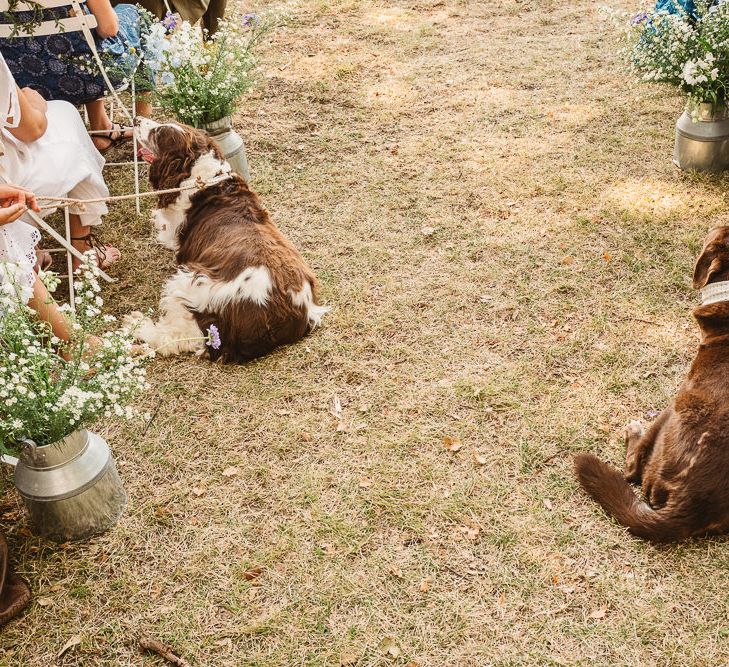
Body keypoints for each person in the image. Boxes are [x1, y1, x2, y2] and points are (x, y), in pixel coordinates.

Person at [0, 52, 120, 269]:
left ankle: (30, 248)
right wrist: (35, 104)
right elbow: (32, 129)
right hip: (12, 193)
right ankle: (81, 250)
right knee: (65, 113)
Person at [0, 0, 154, 152]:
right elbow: (108, 28)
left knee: (83, 31)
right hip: (87, 77)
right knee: (137, 15)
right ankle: (146, 139)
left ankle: (102, 127)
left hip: (19, 85)